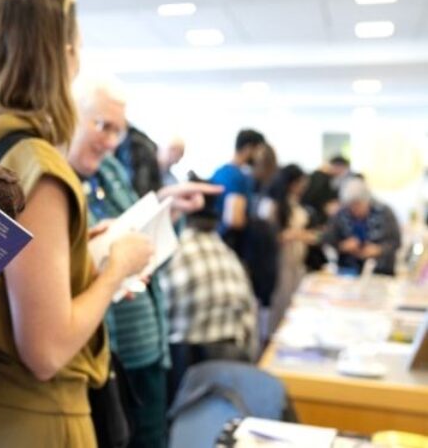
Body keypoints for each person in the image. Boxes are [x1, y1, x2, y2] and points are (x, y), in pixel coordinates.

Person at [0, 0, 154, 447]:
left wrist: (79, 255)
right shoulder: (35, 164)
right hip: (35, 418)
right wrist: (114, 270)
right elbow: (46, 350)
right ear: (63, 58)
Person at [67, 76, 221, 448]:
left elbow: (143, 246)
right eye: (102, 125)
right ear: (70, 117)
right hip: (101, 354)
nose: (110, 141)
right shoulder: (55, 183)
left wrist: (167, 209)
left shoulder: (111, 173)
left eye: (118, 130)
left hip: (146, 342)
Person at [161, 182, 258, 402]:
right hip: (232, 366)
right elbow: (249, 317)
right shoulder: (228, 255)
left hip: (184, 368)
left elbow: (161, 315)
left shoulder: (173, 253)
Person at [261, 164, 317, 334]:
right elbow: (265, 237)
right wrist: (290, 235)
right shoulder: (271, 205)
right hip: (278, 264)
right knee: (278, 308)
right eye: (301, 183)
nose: (303, 188)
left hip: (295, 264)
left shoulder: (293, 203)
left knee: (291, 305)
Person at [323, 178, 401, 276]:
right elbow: (327, 239)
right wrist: (343, 246)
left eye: (358, 204)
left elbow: (395, 242)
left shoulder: (385, 212)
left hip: (380, 270)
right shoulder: (341, 214)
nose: (355, 209)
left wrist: (379, 249)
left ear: (367, 200)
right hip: (347, 271)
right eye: (351, 205)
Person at [210, 128, 266, 255]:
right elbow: (234, 219)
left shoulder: (221, 172)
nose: (259, 157)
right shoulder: (236, 176)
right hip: (231, 246)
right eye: (258, 151)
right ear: (248, 148)